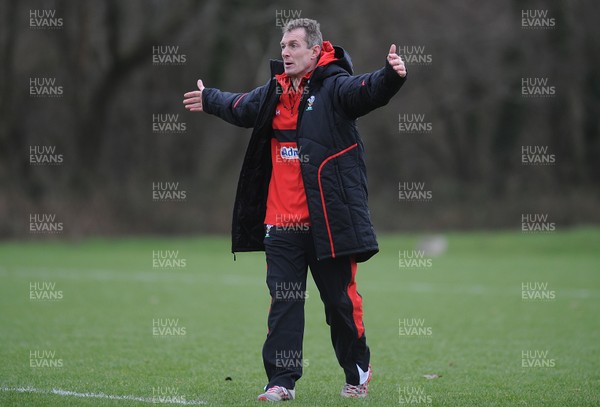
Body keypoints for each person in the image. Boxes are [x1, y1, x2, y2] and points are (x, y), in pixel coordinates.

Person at [183, 18, 406, 402]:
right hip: (280, 226)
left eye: (293, 45)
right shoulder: (274, 91)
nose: (285, 52)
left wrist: (391, 75)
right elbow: (240, 106)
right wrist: (209, 99)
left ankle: (357, 373)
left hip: (327, 225)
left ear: (315, 51)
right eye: (283, 45)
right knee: (284, 305)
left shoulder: (335, 87)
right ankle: (281, 382)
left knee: (339, 304)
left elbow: (365, 91)